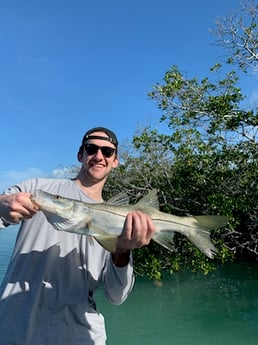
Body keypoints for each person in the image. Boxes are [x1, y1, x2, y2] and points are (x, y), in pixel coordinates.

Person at [0, 127, 155, 345]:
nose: (99, 156)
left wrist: (122, 250)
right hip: (13, 332)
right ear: (80, 155)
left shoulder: (120, 221)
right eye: (91, 149)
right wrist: (1, 204)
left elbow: (116, 296)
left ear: (115, 161)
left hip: (80, 337)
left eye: (107, 152)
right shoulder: (36, 189)